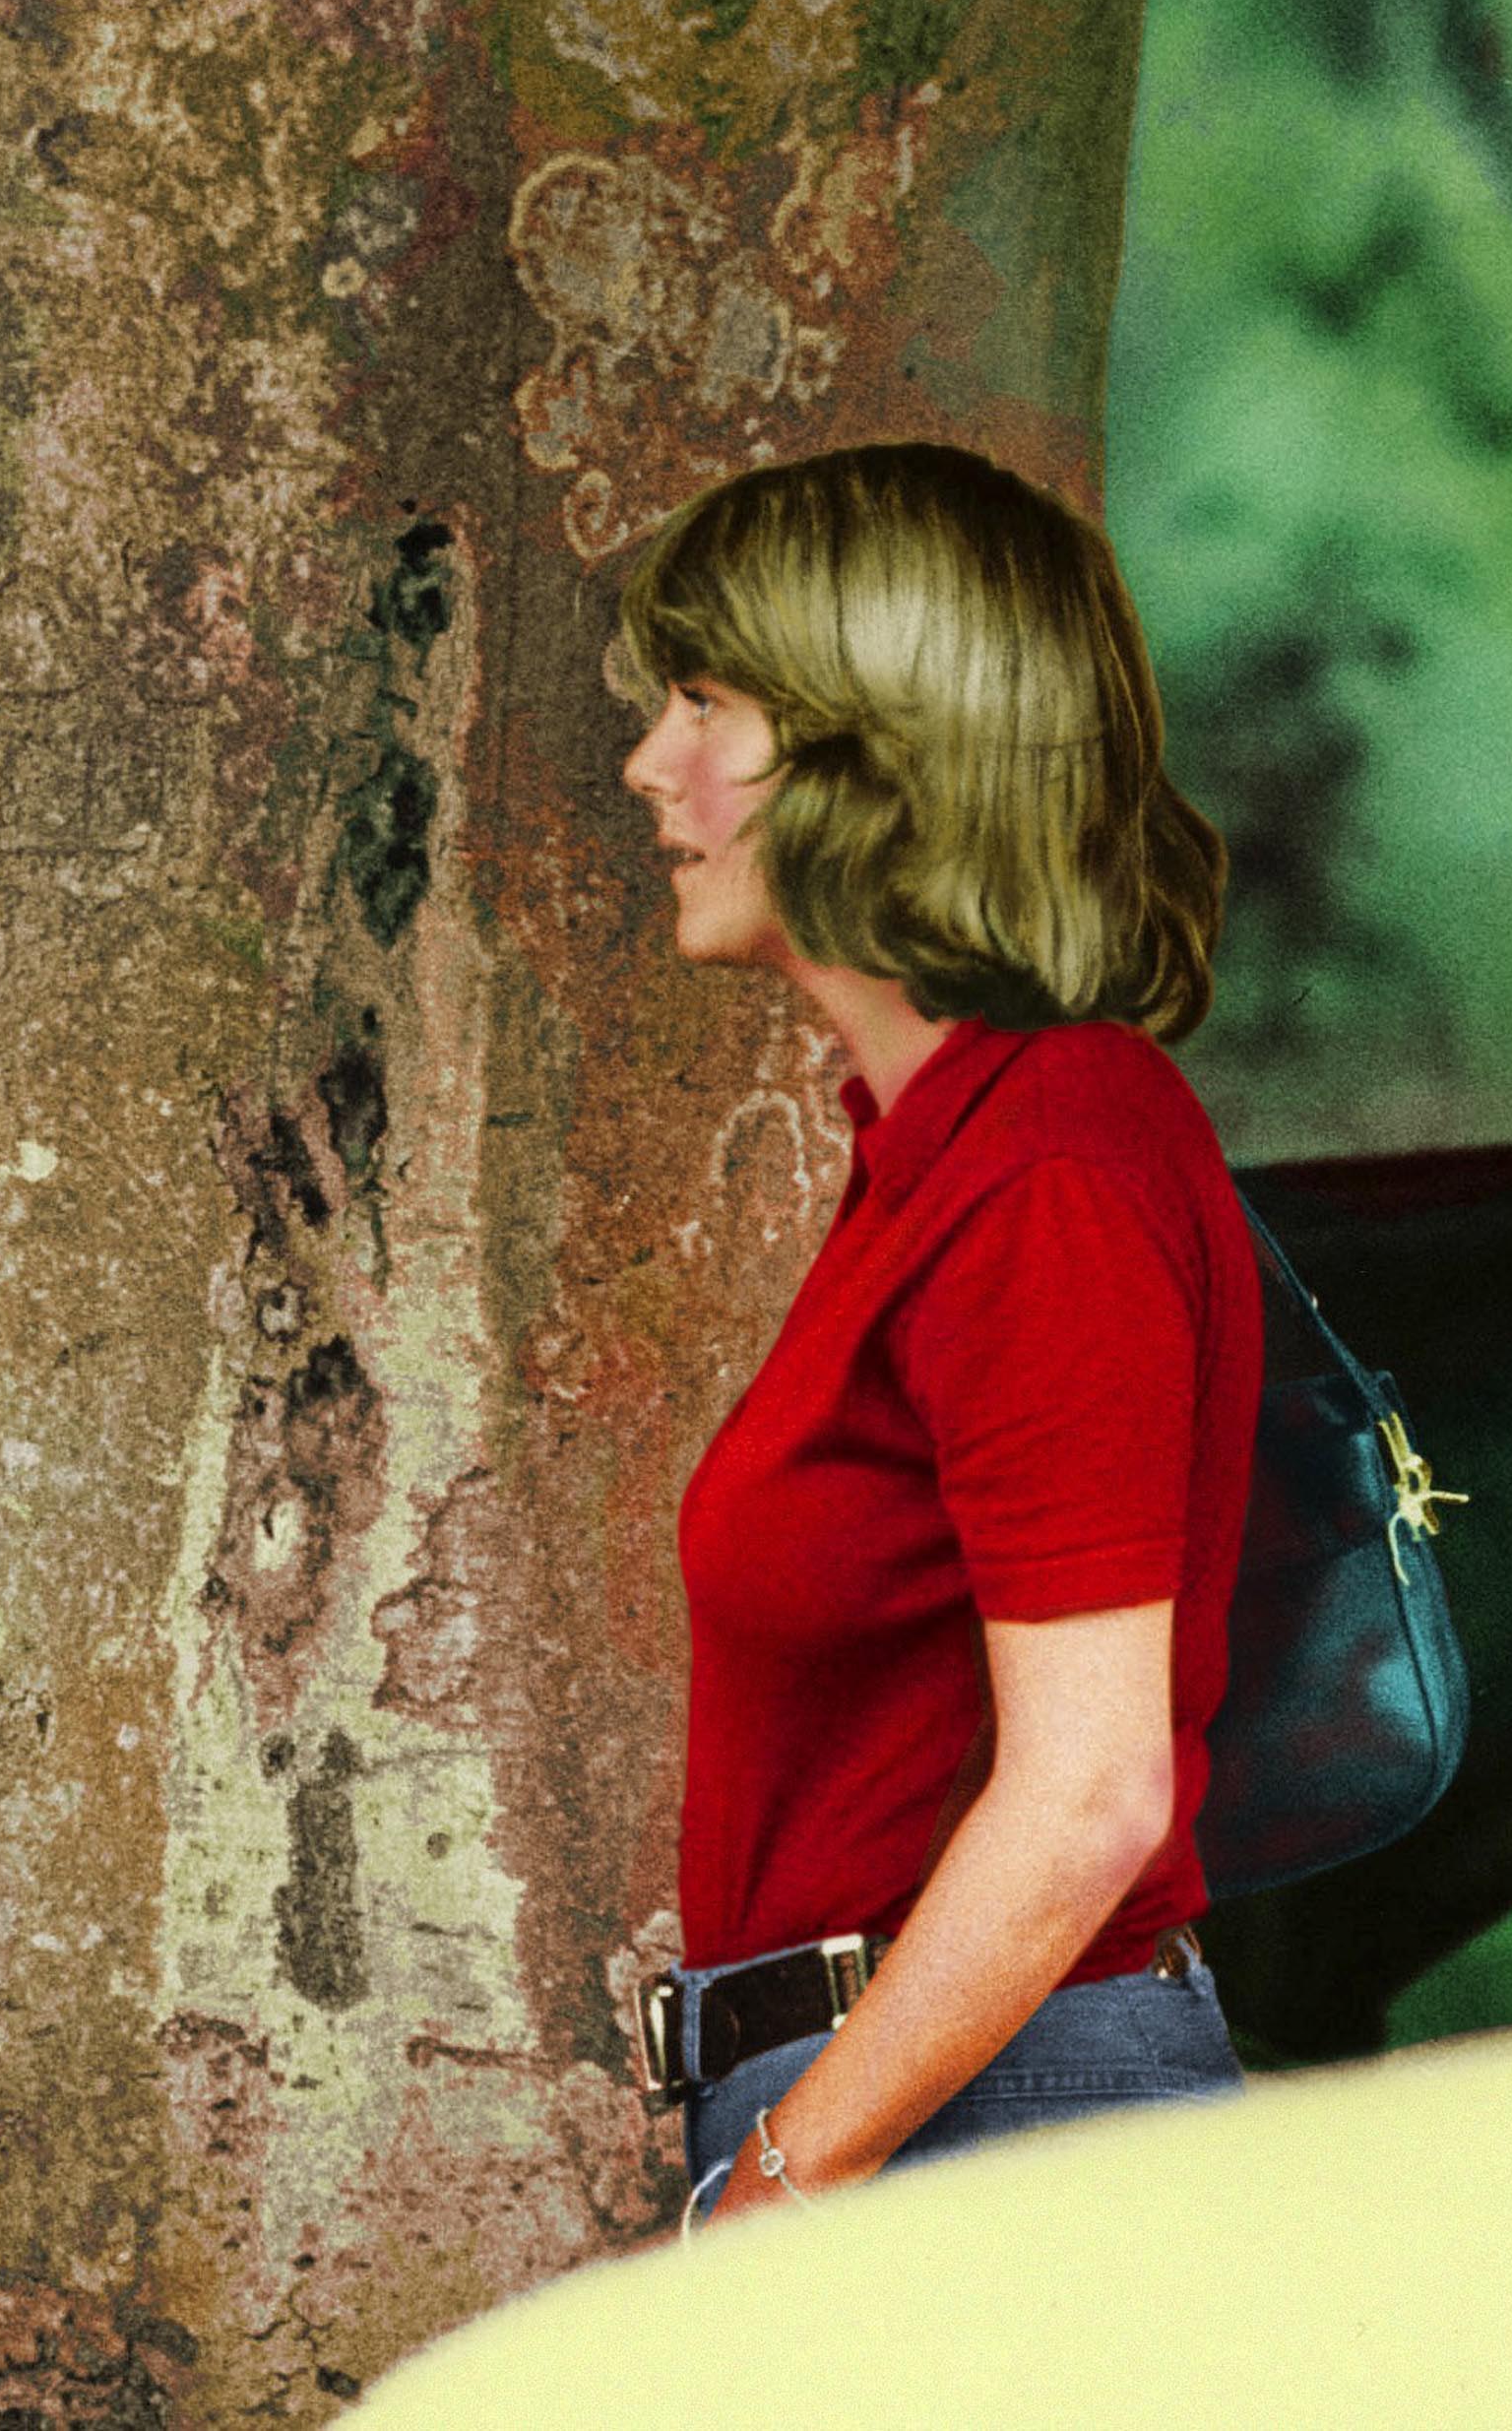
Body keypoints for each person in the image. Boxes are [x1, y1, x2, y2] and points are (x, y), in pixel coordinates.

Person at [611, 440, 1258, 2224]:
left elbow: (1090, 1795)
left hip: (991, 2126)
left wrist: (784, 2178)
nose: (649, 763)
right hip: (927, 2113)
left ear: (881, 750)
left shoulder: (1047, 1168)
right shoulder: (944, 1146)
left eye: (708, 704)